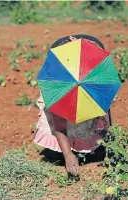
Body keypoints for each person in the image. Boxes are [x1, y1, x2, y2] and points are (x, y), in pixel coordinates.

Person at [34, 34, 112, 175]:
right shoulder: (58, 81)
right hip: (61, 57)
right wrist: (68, 155)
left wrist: (108, 144)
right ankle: (63, 149)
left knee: (99, 108)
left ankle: (98, 145)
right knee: (56, 111)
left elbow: (104, 107)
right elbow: (58, 122)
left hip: (91, 52)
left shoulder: (96, 77)